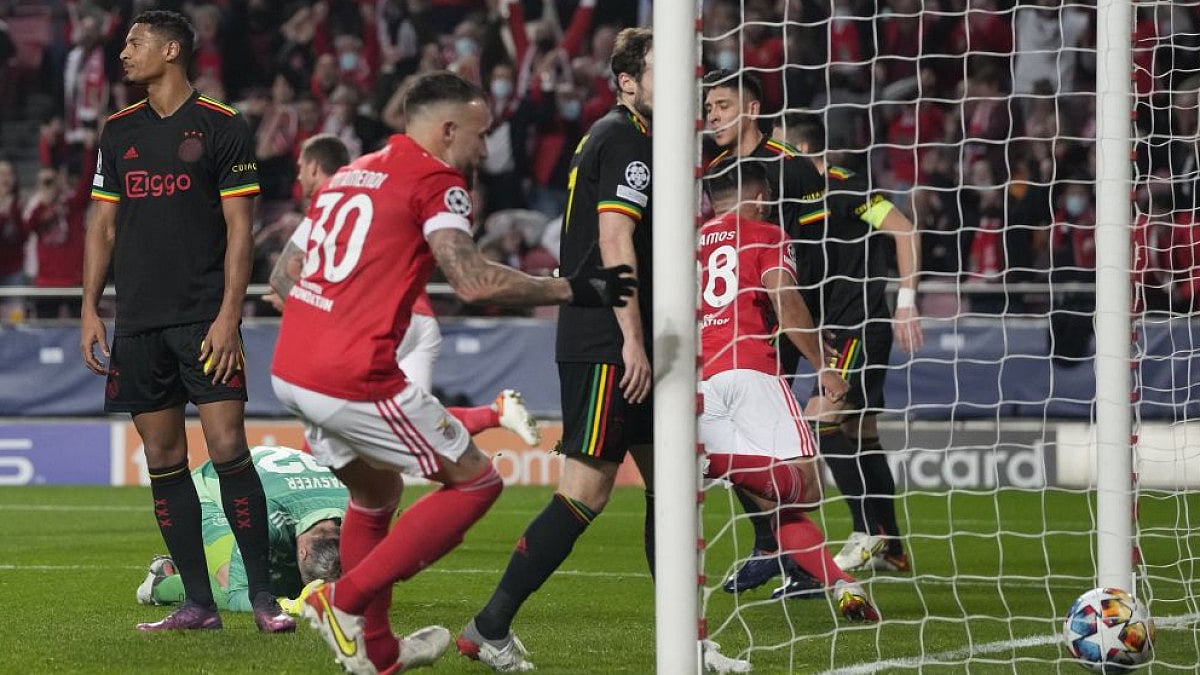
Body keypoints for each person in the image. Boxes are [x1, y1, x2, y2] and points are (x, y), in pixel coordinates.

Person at [270, 70, 635, 675]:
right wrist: (575, 287)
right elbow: (472, 280)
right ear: (446, 130)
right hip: (350, 374)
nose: (485, 149)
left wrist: (337, 308)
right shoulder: (439, 180)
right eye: (479, 133)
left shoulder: (345, 175)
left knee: (376, 491)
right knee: (476, 482)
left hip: (292, 368)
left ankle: (376, 655)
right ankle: (343, 602)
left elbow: (284, 276)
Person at [80, 10, 294, 633]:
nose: (123, 52)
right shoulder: (118, 132)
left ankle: (262, 600)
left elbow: (240, 230)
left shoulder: (223, 126)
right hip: (138, 322)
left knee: (229, 449)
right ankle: (198, 604)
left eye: (136, 42)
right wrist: (91, 307)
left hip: (205, 319)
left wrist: (230, 314)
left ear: (172, 50)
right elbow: (103, 225)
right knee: (163, 458)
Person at [455, 28, 657, 673]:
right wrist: (631, 340)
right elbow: (615, 239)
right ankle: (489, 625)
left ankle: (688, 640)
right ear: (627, 81)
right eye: (664, 68)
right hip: (608, 339)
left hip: (627, 337)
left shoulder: (627, 137)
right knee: (586, 491)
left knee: (672, 491)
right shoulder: (625, 138)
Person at [267, 134, 542, 447]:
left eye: (301, 167)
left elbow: (282, 276)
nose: (299, 175)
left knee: (333, 421)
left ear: (315, 167)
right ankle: (496, 413)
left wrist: (303, 303)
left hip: (379, 323)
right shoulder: (385, 190)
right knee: (413, 430)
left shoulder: (332, 199)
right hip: (419, 321)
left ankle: (304, 486)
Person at [699, 163, 879, 623]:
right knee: (809, 487)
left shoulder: (691, 243)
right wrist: (826, 366)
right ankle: (713, 463)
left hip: (701, 380)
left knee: (776, 510)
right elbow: (787, 301)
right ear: (759, 198)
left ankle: (843, 584)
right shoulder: (766, 232)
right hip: (752, 369)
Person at [769, 112, 923, 586]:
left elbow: (903, 230)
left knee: (823, 420)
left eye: (777, 145)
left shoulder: (843, 184)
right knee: (863, 436)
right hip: (837, 327)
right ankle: (891, 547)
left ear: (796, 148)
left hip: (858, 323)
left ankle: (865, 531)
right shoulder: (794, 197)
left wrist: (906, 302)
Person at [136, 445, 345, 613]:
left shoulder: (352, 510)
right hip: (212, 491)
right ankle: (160, 585)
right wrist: (289, 606)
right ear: (302, 552)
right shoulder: (268, 515)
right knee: (233, 582)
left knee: (283, 583)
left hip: (277, 475)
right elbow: (239, 594)